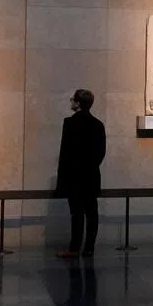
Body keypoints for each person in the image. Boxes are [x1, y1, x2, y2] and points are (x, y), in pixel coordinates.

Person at [55, 88, 106, 258]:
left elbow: (65, 154)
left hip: (74, 177)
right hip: (91, 176)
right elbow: (101, 152)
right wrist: (90, 167)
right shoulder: (98, 124)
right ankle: (89, 248)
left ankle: (74, 248)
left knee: (76, 214)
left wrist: (62, 180)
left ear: (77, 103)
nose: (71, 102)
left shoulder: (70, 123)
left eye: (72, 100)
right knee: (92, 213)